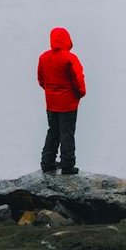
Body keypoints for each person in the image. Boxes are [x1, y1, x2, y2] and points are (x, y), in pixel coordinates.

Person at [37, 26, 86, 175]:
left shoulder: (43, 57)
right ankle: (68, 165)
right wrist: (80, 94)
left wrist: (50, 91)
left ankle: (47, 162)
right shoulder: (70, 58)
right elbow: (78, 80)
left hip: (51, 103)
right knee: (67, 133)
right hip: (68, 103)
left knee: (53, 131)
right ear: (67, 40)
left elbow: (41, 79)